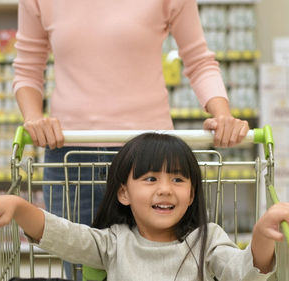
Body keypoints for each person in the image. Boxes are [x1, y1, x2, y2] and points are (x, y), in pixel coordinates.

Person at [13, 1, 249, 278]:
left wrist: (222, 114)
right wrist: (33, 118)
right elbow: (28, 66)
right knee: (78, 267)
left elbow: (199, 61)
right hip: (68, 153)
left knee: (166, 265)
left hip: (151, 158)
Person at [0, 133, 289, 281]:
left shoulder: (207, 239)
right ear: (123, 194)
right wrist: (18, 206)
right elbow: (65, 235)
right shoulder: (115, 241)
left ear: (192, 193)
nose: (164, 189)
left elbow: (244, 271)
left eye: (177, 180)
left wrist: (261, 233)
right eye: (150, 179)